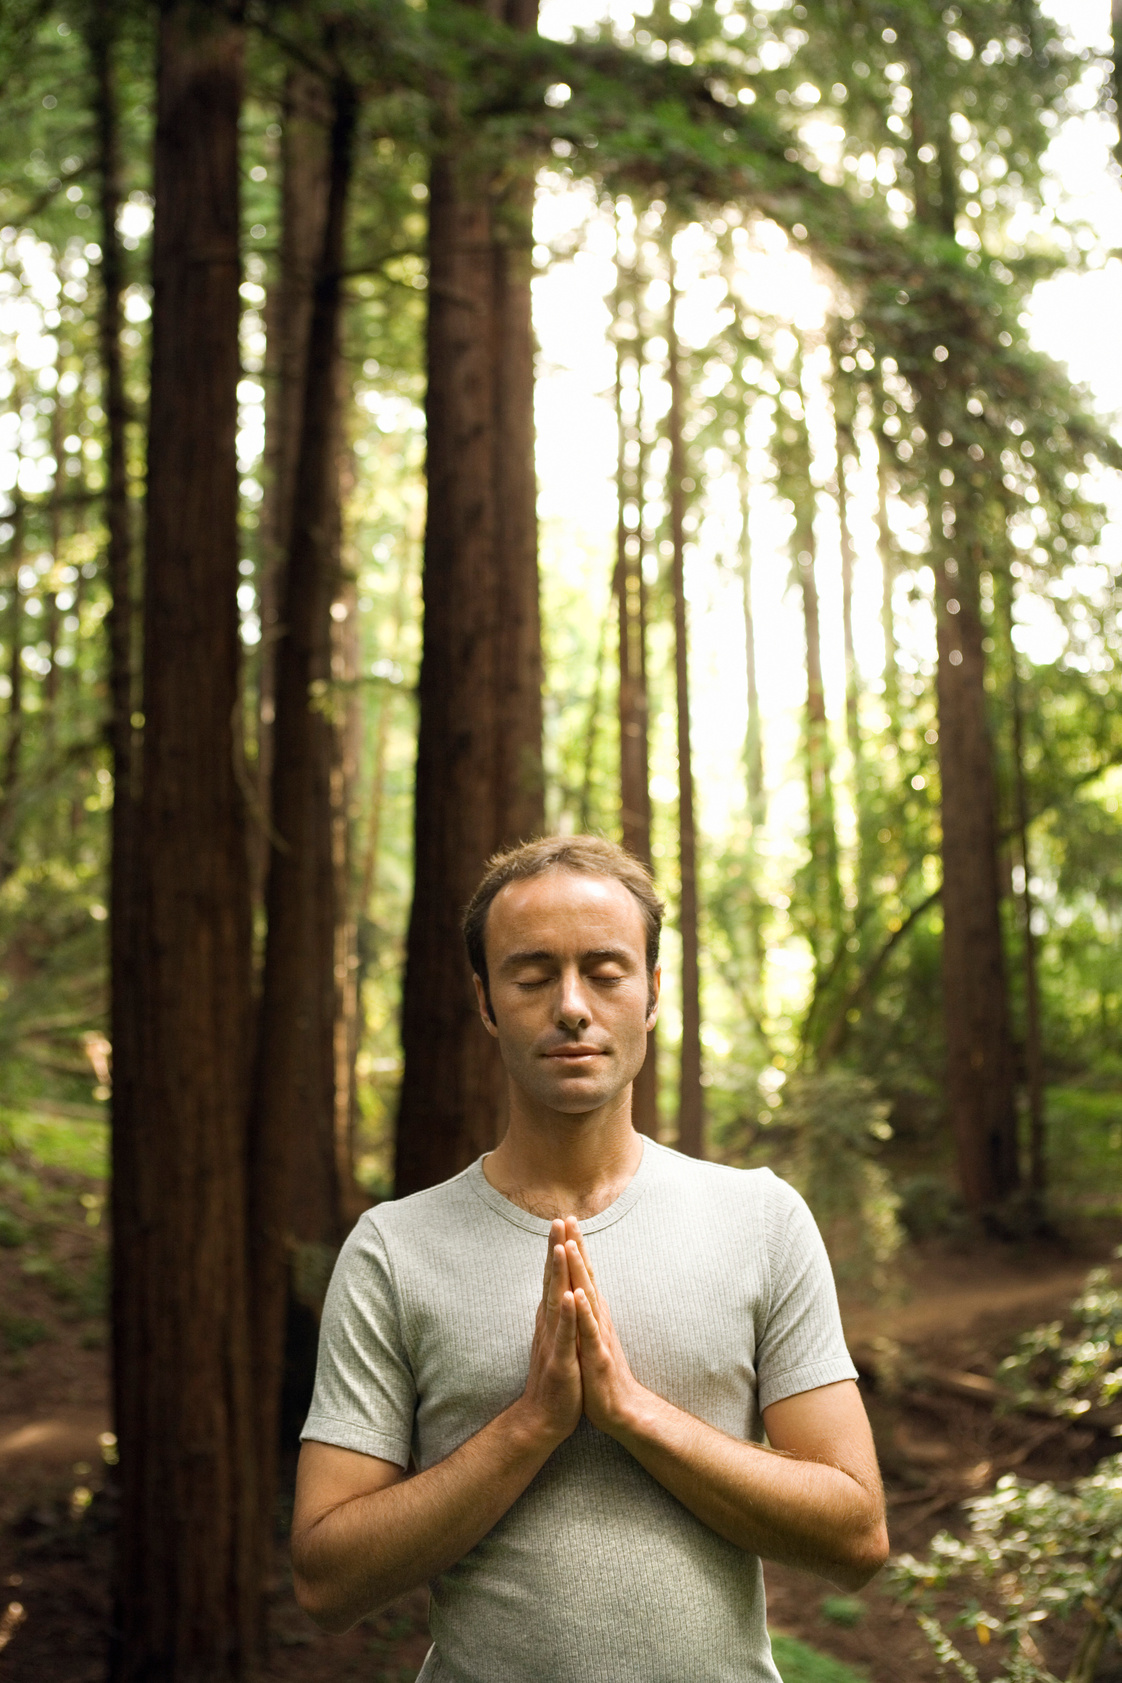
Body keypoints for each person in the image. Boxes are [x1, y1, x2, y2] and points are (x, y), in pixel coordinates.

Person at [291, 835, 888, 1682]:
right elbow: (324, 1578)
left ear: (650, 992)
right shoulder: (394, 1248)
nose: (571, 1005)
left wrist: (634, 1414)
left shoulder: (761, 1217)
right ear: (487, 1000)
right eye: (532, 975)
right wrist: (529, 1426)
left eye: (605, 971)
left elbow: (856, 1533)